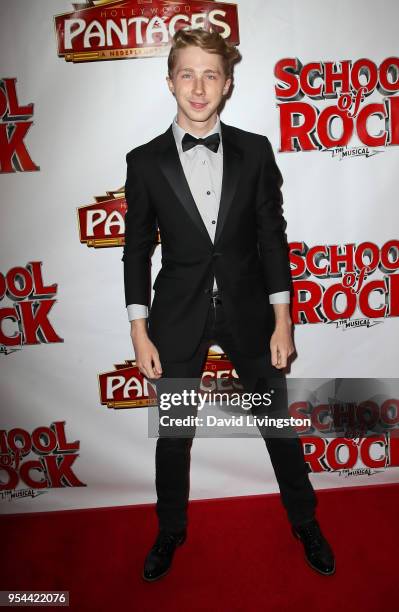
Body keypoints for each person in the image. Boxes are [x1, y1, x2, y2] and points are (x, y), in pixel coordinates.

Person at [122, 27, 335, 582]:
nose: (198, 87)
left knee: (277, 426)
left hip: (250, 314)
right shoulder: (144, 162)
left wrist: (283, 320)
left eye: (210, 74)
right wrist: (139, 332)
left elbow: (272, 238)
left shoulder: (256, 151)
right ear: (170, 81)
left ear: (228, 84)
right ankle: (170, 529)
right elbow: (137, 250)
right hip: (176, 317)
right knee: (174, 435)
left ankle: (304, 519)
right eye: (187, 74)